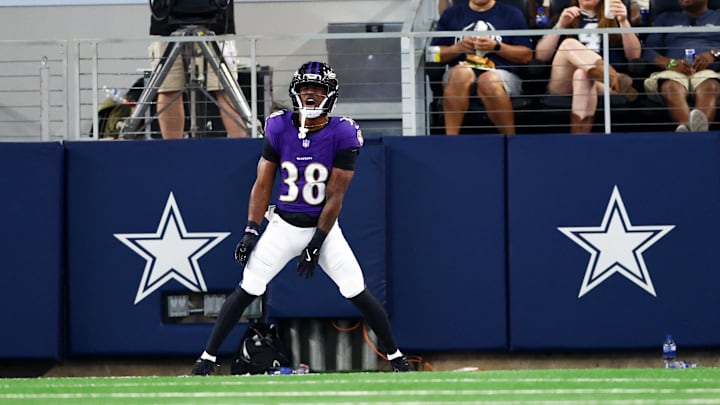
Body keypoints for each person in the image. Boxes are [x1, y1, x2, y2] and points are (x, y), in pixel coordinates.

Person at [190, 61, 410, 375]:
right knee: (248, 287)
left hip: (324, 228)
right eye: (306, 87)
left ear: (330, 95)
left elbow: (335, 195)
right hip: (282, 225)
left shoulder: (343, 131)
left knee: (355, 289)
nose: (310, 93)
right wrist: (251, 230)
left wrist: (318, 242)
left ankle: (396, 357)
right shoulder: (279, 126)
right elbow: (263, 183)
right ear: (296, 90)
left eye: (318, 88)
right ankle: (206, 360)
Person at [535, 0, 640, 134]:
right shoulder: (564, 16)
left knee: (582, 75)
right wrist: (560, 25)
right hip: (564, 83)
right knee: (568, 44)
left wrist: (624, 21)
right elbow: (541, 56)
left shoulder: (615, 17)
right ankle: (614, 78)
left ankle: (579, 142)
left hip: (602, 86)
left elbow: (634, 54)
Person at [431, 0, 534, 135]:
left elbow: (526, 56)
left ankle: (510, 141)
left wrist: (497, 47)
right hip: (460, 71)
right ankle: (451, 140)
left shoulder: (512, 14)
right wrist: (458, 48)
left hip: (501, 73)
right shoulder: (451, 14)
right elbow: (434, 56)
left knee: (488, 80)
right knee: (461, 73)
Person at [149, 0, 248, 139]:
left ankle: (241, 149)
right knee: (169, 88)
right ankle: (172, 152)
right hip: (167, 21)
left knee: (226, 90)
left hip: (217, 22)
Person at [642, 0, 720, 132]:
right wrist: (671, 64)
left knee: (710, 86)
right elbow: (648, 51)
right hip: (673, 72)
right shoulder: (665, 18)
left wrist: (714, 54)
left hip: (708, 72)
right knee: (672, 87)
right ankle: (696, 135)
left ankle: (688, 134)